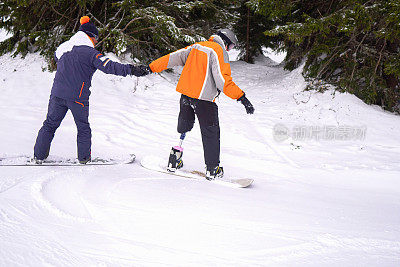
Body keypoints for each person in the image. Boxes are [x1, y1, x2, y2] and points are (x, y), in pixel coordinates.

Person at [33, 16, 150, 164]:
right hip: (78, 97)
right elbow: (110, 67)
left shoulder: (63, 49)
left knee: (49, 125)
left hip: (57, 95)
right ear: (90, 36)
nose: (96, 41)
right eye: (96, 38)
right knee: (83, 128)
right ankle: (84, 159)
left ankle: (38, 156)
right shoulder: (90, 53)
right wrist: (133, 69)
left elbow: (57, 58)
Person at [148, 29, 255, 180]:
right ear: (225, 41)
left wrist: (152, 67)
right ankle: (212, 169)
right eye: (230, 46)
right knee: (211, 132)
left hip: (186, 95)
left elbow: (172, 58)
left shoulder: (197, 46)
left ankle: (174, 159)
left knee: (184, 125)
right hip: (204, 100)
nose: (229, 50)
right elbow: (222, 81)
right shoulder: (218, 50)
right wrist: (241, 97)